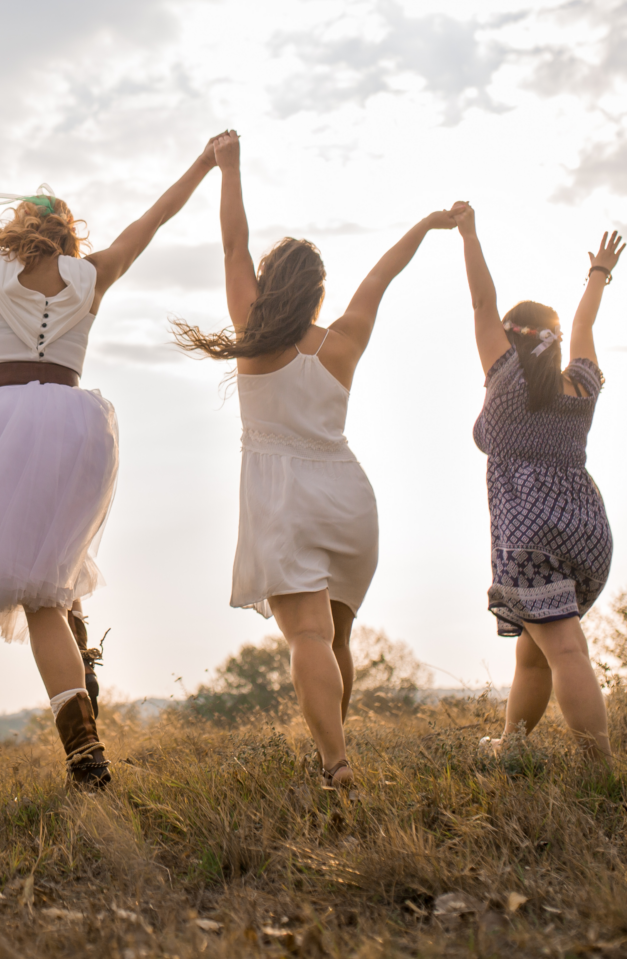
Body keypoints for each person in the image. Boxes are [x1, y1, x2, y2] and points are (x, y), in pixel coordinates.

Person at [0, 122, 220, 789]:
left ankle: (84, 754)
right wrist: (204, 164)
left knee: (38, 593)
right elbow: (155, 217)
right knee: (52, 570)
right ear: (70, 236)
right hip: (74, 426)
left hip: (1, 422)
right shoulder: (93, 274)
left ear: (16, 230)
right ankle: (82, 662)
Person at [172, 131, 457, 790]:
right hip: (347, 496)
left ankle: (336, 764)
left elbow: (233, 245)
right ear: (320, 295)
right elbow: (383, 274)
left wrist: (231, 167)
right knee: (334, 640)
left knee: (305, 636)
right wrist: (427, 223)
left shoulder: (251, 332)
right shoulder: (344, 340)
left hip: (283, 496)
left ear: (271, 287)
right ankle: (336, 753)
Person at [452, 201, 625, 763]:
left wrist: (470, 234)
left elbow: (482, 301)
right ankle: (512, 748)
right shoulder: (580, 387)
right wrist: (598, 273)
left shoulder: (505, 381)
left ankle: (602, 774)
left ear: (511, 340)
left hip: (532, 537)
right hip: (587, 530)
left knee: (566, 647)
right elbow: (584, 326)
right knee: (535, 649)